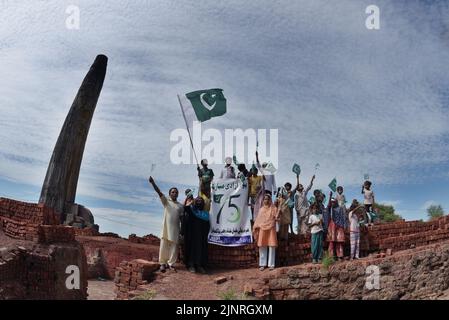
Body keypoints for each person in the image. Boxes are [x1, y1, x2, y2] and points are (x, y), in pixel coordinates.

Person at [148, 176, 183, 272]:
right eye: (172, 192)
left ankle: (171, 264)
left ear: (178, 194)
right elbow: (159, 192)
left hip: (176, 229)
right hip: (166, 229)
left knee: (174, 248)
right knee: (163, 246)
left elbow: (182, 218)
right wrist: (153, 183)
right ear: (169, 194)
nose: (174, 193)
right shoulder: (166, 202)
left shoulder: (180, 206)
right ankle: (162, 263)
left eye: (176, 192)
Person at [181, 196, 210, 274]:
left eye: (201, 200)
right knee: (191, 250)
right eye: (197, 200)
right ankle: (191, 265)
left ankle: (199, 265)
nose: (199, 201)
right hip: (191, 235)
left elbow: (207, 225)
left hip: (201, 236)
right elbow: (185, 207)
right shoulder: (192, 211)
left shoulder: (205, 214)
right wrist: (190, 201)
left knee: (200, 250)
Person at [253, 193, 280, 271]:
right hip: (262, 229)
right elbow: (258, 219)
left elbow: (277, 218)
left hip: (271, 228)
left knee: (272, 246)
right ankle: (262, 264)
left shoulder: (274, 208)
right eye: (265, 199)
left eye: (267, 199)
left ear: (270, 200)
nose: (266, 200)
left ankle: (271, 265)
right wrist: (255, 227)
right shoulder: (261, 209)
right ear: (263, 200)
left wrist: (279, 212)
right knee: (262, 246)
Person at [324, 192, 347, 261]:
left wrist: (344, 225)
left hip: (339, 226)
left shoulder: (339, 209)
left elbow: (343, 217)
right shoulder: (329, 209)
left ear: (336, 202)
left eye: (334, 202)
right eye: (332, 202)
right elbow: (328, 206)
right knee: (331, 242)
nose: (333, 203)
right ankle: (331, 257)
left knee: (339, 242)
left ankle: (340, 256)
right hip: (331, 226)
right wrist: (330, 196)